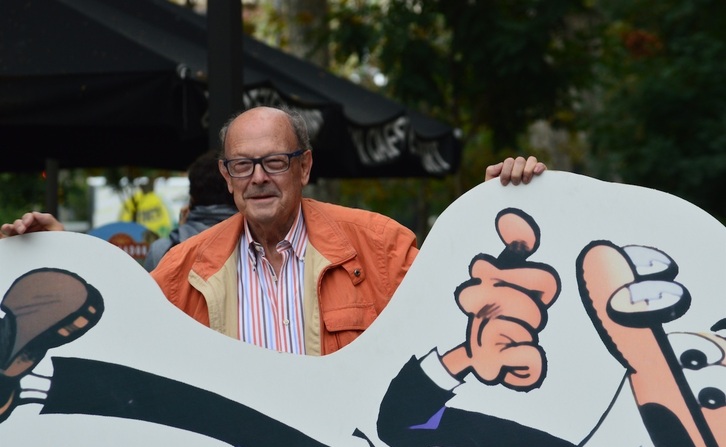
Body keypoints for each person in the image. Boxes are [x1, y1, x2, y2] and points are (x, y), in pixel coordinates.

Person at [0, 106, 546, 357]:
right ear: (226, 176)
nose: (258, 178)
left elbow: (462, 315)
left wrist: (504, 208)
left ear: (304, 168)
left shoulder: (381, 247)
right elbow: (118, 335)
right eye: (243, 165)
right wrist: (63, 256)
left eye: (275, 162)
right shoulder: (182, 270)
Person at [143, 151, 238, 271]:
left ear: (192, 198)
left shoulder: (161, 250)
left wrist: (182, 230)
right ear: (233, 189)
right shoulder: (255, 244)